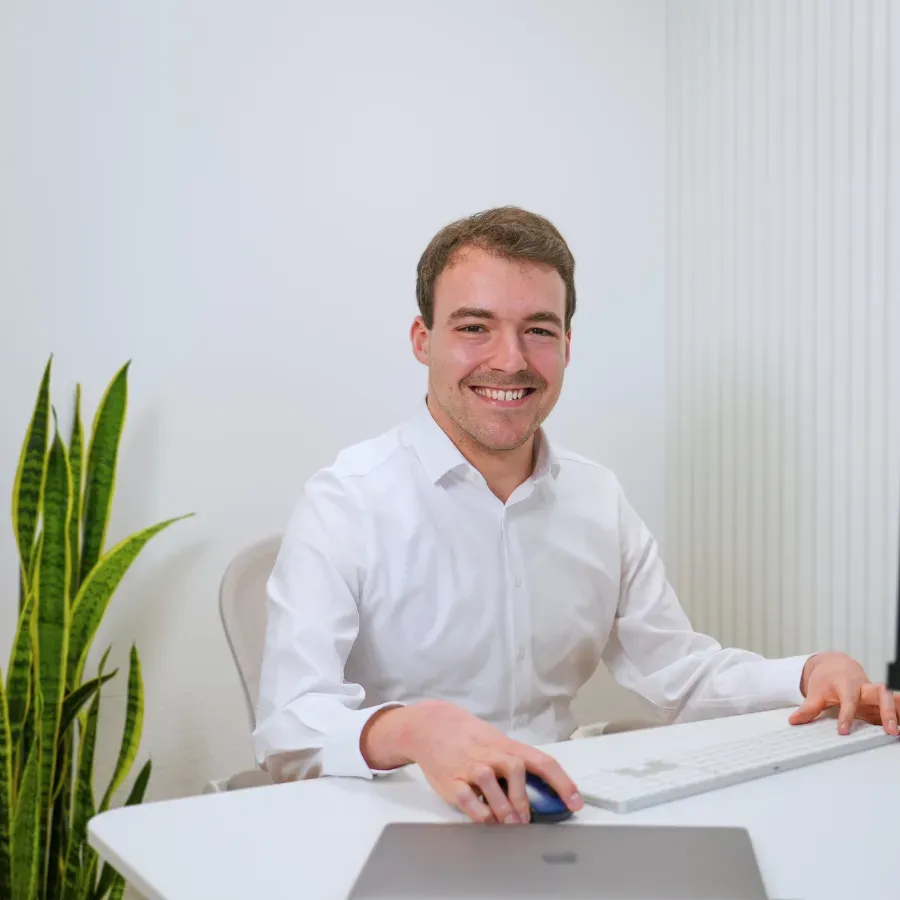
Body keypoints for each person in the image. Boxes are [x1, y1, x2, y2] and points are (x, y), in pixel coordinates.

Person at [253, 206, 900, 825]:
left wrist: (810, 674)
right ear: (424, 341)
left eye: (537, 329)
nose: (509, 359)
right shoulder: (346, 500)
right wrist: (414, 729)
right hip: (392, 814)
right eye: (474, 327)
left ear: (566, 344)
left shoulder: (598, 499)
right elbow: (288, 722)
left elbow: (679, 675)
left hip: (560, 810)